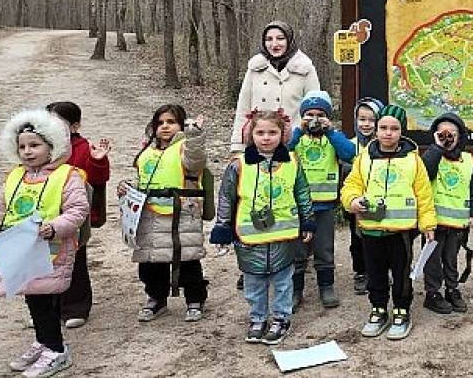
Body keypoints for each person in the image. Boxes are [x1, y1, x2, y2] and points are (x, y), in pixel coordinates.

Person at [0, 109, 89, 377]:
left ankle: (56, 350)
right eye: (22, 147)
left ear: (52, 146)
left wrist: (54, 227)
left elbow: (78, 211)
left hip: (51, 251)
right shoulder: (15, 177)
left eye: (35, 145)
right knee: (33, 298)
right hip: (20, 250)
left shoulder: (67, 175)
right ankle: (44, 341)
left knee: (44, 301)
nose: (28, 152)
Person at [210, 110, 316, 345]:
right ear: (251, 135)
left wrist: (308, 220)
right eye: (260, 132)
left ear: (282, 134)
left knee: (283, 281)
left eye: (272, 132)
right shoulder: (238, 165)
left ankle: (281, 318)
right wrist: (222, 227)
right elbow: (226, 197)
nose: (266, 138)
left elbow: (302, 193)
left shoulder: (293, 162)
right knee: (254, 281)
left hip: (284, 235)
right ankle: (258, 318)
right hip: (250, 236)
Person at [341, 104, 436, 340]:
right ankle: (378, 308)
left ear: (401, 131)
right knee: (375, 272)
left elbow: (424, 194)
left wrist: (428, 224)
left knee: (401, 273)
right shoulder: (364, 159)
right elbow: (351, 185)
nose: (388, 133)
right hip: (370, 228)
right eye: (383, 127)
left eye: (394, 128)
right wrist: (352, 201)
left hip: (401, 231)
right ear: (376, 129)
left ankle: (402, 310)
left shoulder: (413, 161)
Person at [117, 104, 210, 322]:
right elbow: (142, 179)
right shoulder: (147, 151)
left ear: (182, 125)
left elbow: (197, 160)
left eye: (171, 122)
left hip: (182, 213)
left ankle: (195, 299)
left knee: (187, 259)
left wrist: (194, 135)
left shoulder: (186, 148)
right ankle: (156, 298)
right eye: (160, 123)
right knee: (151, 262)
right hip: (149, 215)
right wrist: (127, 188)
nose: (165, 126)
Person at [286, 90, 355, 309]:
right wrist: (299, 130)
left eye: (320, 115)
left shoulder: (333, 138)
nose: (314, 119)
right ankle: (295, 290)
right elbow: (281, 153)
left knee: (324, 248)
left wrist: (331, 132)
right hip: (298, 205)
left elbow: (350, 154)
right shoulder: (296, 138)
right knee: (297, 250)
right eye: (310, 115)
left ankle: (327, 286)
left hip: (325, 205)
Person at [45, 101, 111, 329]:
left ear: (74, 126)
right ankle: (48, 308)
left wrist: (98, 160)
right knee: (46, 262)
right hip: (46, 215)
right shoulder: (42, 146)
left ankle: (76, 307)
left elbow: (97, 179)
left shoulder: (83, 148)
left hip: (74, 216)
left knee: (75, 261)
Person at [421, 113, 473, 314]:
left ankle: (452, 289)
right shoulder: (432, 156)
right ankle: (432, 293)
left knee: (451, 259)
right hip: (434, 223)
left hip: (458, 223)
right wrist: (437, 147)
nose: (447, 137)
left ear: (461, 136)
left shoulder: (468, 160)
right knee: (432, 261)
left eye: (452, 134)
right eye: (442, 133)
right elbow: (424, 173)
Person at [230, 21, 320, 154]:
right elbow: (243, 108)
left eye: (280, 38)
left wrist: (313, 141)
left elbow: (316, 109)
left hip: (295, 145)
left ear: (289, 40)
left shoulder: (305, 69)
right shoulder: (255, 68)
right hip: (258, 142)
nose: (274, 44)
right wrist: (237, 146)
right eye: (269, 39)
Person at [345, 97, 385, 295]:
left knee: (380, 238)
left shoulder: (385, 144)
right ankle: (361, 271)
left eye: (371, 120)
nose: (366, 124)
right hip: (357, 202)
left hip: (380, 201)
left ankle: (380, 270)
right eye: (362, 119)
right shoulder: (350, 145)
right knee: (358, 238)